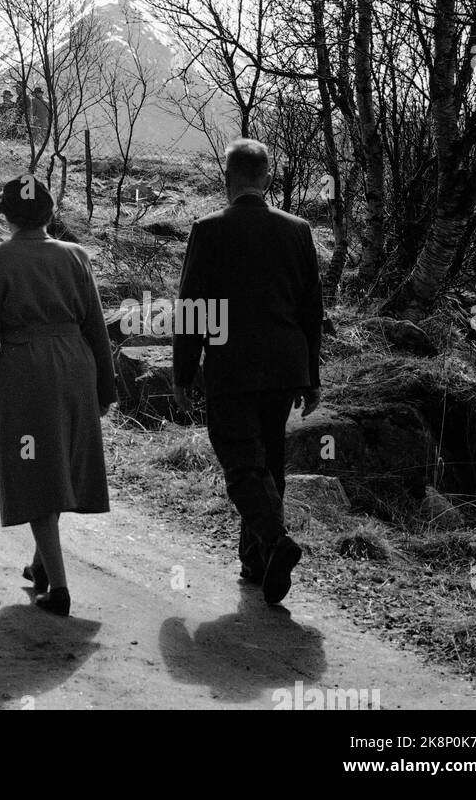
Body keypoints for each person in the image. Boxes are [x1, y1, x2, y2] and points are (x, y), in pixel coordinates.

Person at [173, 138, 323, 606]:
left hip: (231, 366)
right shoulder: (298, 230)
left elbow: (193, 307)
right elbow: (311, 309)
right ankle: (255, 561)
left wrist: (183, 371)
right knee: (269, 461)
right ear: (268, 180)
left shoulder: (208, 229)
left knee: (241, 466)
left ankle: (277, 544)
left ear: (227, 179)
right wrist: (311, 374)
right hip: (283, 366)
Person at [0, 175, 117, 616]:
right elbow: (96, 327)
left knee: (33, 472)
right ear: (50, 214)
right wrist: (106, 386)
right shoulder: (76, 256)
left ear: (5, 215)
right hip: (75, 364)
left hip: (27, 369)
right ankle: (41, 565)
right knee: (59, 462)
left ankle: (60, 588)